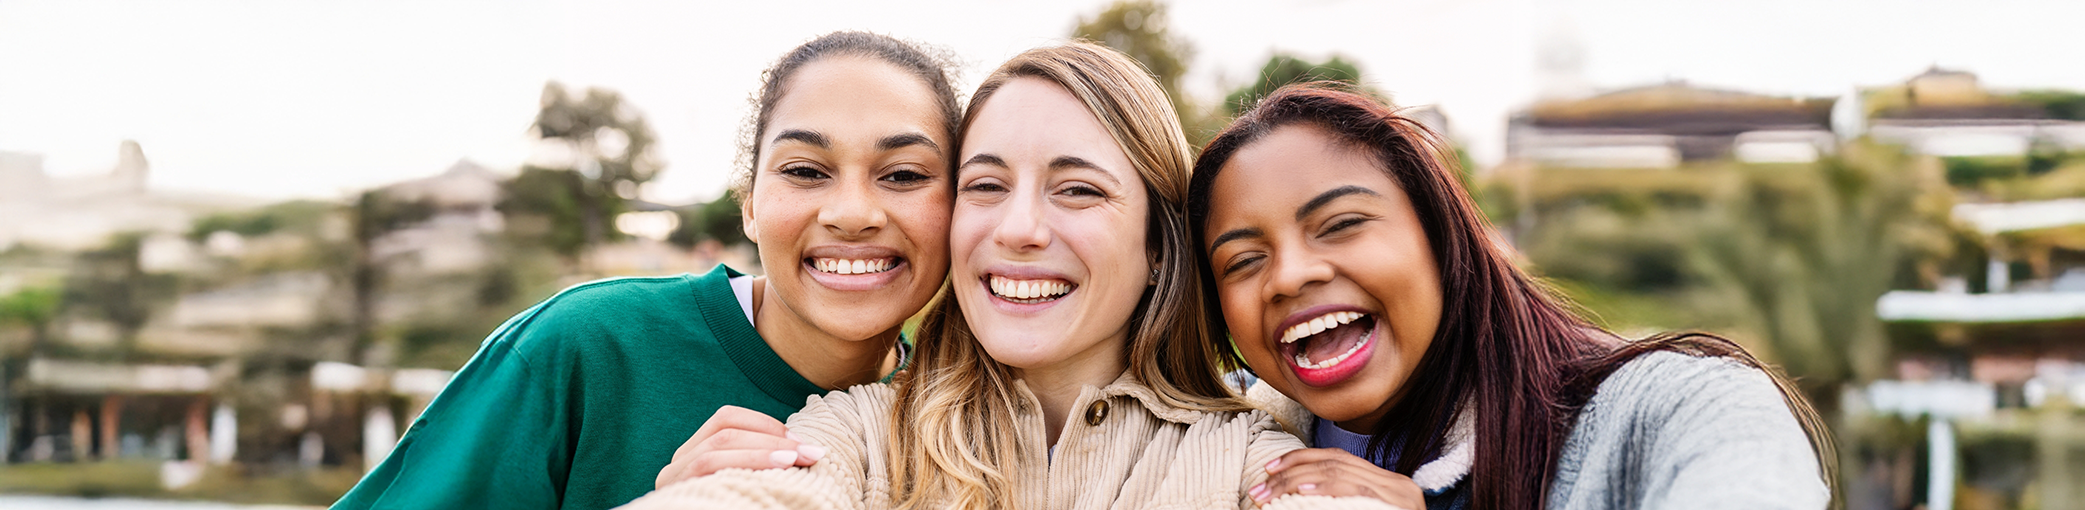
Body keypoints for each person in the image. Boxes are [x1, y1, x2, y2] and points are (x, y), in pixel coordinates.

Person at [623, 42, 1395, 510]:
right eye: (985, 185)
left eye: (1078, 189)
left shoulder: (1253, 456)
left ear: (1160, 242)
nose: (1019, 228)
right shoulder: (857, 432)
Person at [330, 31, 961, 510]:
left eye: (903, 175)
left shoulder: (960, 418)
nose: (852, 214)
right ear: (749, 205)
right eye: (805, 170)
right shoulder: (585, 346)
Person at [1185, 83, 1834, 510]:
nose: (1290, 276)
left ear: (1441, 238)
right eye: (1243, 261)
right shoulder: (1211, 450)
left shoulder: (1678, 409)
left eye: (1342, 224)